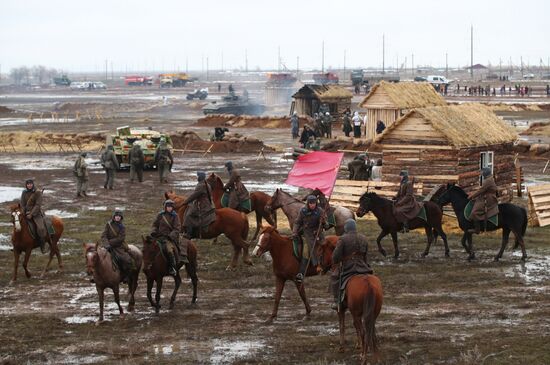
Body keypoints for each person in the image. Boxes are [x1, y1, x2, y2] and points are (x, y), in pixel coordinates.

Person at [331, 219, 373, 310]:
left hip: (348, 267)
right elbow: (366, 255)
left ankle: (337, 301)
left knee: (334, 277)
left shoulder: (343, 238)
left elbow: (335, 257)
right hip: (363, 266)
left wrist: (337, 260)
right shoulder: (363, 238)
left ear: (346, 228)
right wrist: (366, 265)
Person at [292, 195, 328, 283]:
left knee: (325, 246)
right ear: (308, 203)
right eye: (311, 203)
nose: (312, 205)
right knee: (306, 250)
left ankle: (326, 266)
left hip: (318, 232)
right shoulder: (303, 211)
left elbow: (326, 225)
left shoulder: (320, 211)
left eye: (314, 203)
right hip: (307, 233)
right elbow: (297, 222)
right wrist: (294, 232)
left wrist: (323, 222)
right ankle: (302, 273)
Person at [100, 210, 136, 283]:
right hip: (107, 246)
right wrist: (106, 244)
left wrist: (110, 243)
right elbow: (104, 235)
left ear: (121, 218)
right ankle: (97, 277)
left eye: (119, 216)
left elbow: (121, 238)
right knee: (97, 258)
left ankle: (126, 276)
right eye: (116, 216)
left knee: (127, 260)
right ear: (114, 217)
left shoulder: (122, 227)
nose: (117, 217)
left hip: (118, 247)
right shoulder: (108, 224)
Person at [151, 200, 182, 275]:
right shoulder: (160, 215)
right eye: (168, 207)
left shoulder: (175, 216)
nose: (169, 208)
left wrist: (170, 235)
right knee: (149, 248)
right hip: (159, 236)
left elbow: (177, 228)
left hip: (169, 238)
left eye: (171, 207)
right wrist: (154, 231)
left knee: (169, 250)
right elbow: (155, 225)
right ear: (165, 207)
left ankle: (172, 267)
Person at [183, 171, 216, 239]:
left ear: (200, 177)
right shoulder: (206, 184)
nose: (197, 177)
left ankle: (189, 233)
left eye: (198, 176)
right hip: (207, 203)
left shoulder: (201, 185)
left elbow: (194, 196)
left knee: (189, 215)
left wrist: (185, 202)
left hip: (203, 205)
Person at [467, 168, 499, 234]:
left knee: (474, 212)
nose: (481, 173)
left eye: (482, 172)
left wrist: (471, 196)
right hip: (486, 195)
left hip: (489, 198)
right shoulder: (488, 179)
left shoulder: (488, 180)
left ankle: (477, 229)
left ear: (485, 173)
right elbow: (482, 189)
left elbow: (481, 190)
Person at [20, 179, 49, 252]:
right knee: (17, 225)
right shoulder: (24, 192)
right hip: (25, 213)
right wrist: (23, 212)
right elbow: (22, 204)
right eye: (28, 184)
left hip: (36, 213)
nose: (29, 185)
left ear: (33, 184)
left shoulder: (37, 192)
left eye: (30, 184)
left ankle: (42, 246)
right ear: (26, 185)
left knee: (41, 228)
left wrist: (31, 214)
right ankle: (17, 245)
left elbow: (37, 205)